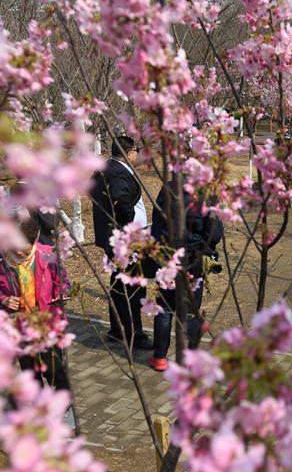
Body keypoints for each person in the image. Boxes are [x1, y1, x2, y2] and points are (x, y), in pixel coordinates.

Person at [0, 216, 76, 427]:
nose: (18, 253)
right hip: (18, 326)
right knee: (29, 370)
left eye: (23, 248)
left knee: (54, 368)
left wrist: (61, 294)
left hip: (46, 323)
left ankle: (63, 404)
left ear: (33, 242)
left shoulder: (47, 255)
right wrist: (2, 299)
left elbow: (63, 281)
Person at [146, 185, 224, 371]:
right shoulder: (206, 192)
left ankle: (160, 357)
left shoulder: (167, 189)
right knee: (191, 310)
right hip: (194, 260)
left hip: (167, 257)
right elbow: (215, 233)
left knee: (164, 307)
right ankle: (190, 358)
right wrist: (201, 246)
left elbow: (158, 226)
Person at [90, 136, 152, 350]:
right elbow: (120, 198)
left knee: (119, 284)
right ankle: (134, 334)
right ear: (130, 152)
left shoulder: (105, 168)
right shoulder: (118, 172)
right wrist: (129, 224)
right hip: (126, 240)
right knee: (132, 287)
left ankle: (118, 329)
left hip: (113, 237)